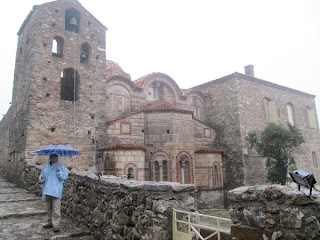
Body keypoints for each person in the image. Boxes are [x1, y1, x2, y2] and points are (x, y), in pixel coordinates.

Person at [38, 153, 68, 232]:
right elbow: (41, 177)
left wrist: (59, 172)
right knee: (49, 208)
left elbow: (63, 177)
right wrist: (41, 177)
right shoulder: (46, 167)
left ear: (57, 158)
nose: (53, 158)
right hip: (47, 190)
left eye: (55, 156)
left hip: (56, 190)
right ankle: (50, 222)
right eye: (52, 156)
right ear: (50, 157)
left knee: (56, 208)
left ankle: (56, 224)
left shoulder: (61, 167)